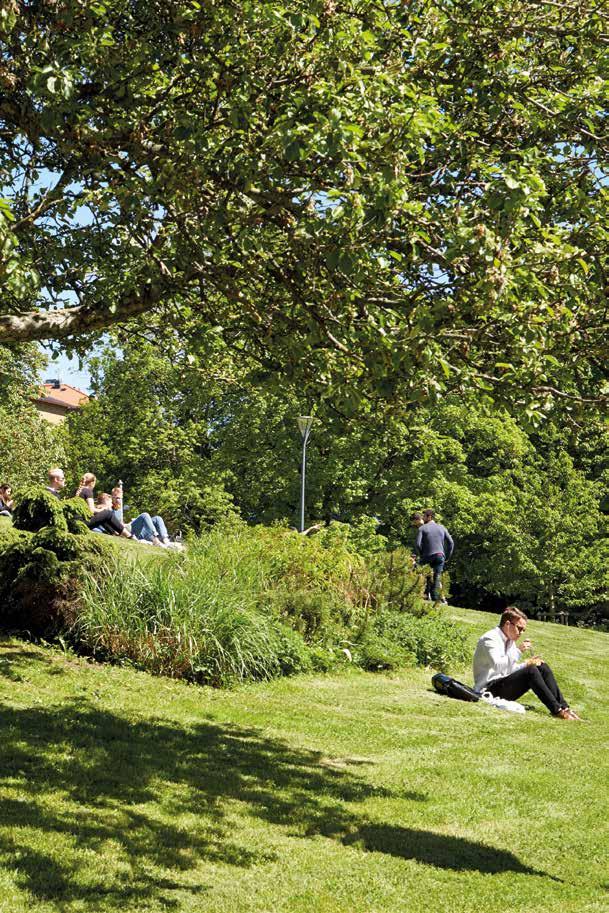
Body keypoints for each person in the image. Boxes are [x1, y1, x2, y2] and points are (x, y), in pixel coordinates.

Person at [472, 606, 582, 720]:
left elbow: (508, 669)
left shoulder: (509, 641)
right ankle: (557, 710)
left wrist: (527, 663)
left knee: (541, 666)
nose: (521, 633)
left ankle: (565, 708)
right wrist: (519, 651)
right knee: (531, 671)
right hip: (488, 690)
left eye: (523, 630)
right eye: (519, 628)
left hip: (501, 684)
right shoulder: (490, 639)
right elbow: (499, 666)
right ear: (508, 624)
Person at [110, 485, 181, 549]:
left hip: (134, 531)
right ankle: (155, 540)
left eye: (120, 498)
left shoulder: (119, 508)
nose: (119, 500)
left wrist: (129, 522)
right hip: (127, 533)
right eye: (117, 498)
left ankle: (166, 540)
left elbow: (121, 522)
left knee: (157, 518)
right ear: (112, 497)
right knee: (144, 515)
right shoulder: (110, 509)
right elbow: (115, 527)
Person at [75, 473, 135, 539]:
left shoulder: (78, 491)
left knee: (103, 516)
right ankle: (129, 535)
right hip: (83, 523)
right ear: (92, 483)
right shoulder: (88, 491)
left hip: (77, 522)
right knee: (108, 513)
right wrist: (103, 510)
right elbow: (92, 510)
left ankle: (114, 533)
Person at [415, 508, 454, 602]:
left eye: (424, 516)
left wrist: (422, 554)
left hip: (427, 556)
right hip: (440, 556)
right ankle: (436, 600)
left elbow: (417, 544)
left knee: (420, 573)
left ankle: (423, 596)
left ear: (429, 517)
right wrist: (447, 557)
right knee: (437, 577)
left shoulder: (422, 528)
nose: (422, 518)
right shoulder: (442, 527)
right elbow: (451, 543)